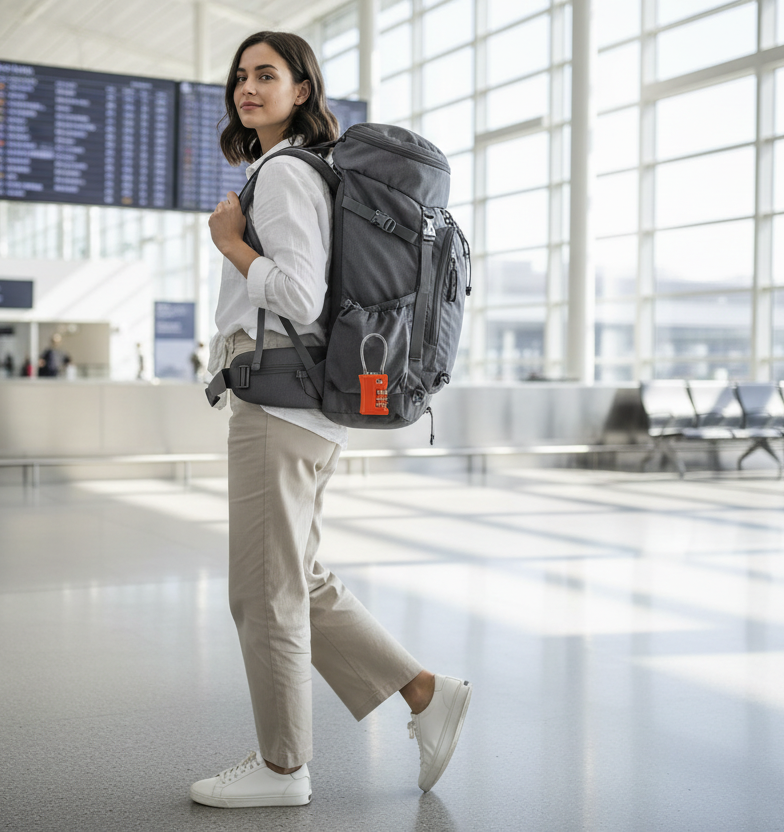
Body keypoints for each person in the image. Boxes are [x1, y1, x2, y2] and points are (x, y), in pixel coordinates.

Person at [190, 31, 471, 810]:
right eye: (242, 76)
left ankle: (284, 769)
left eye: (268, 75)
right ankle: (425, 693)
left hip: (278, 403)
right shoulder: (294, 170)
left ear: (303, 89)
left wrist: (230, 245)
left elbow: (301, 296)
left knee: (262, 591)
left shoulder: (282, 174)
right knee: (299, 580)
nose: (248, 87)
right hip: (303, 404)